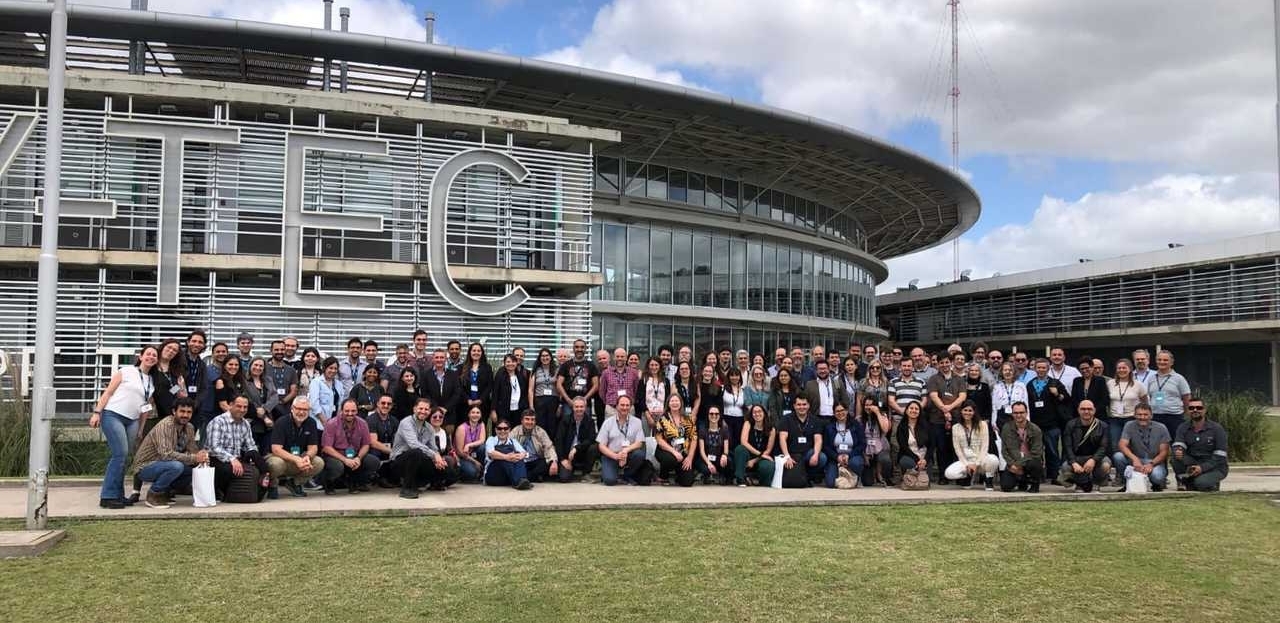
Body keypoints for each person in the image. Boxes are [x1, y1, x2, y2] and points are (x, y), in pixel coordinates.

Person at [90, 345, 159, 509]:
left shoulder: (151, 381)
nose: (151, 357)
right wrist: (97, 412)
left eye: (154, 355)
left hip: (133, 420)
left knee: (125, 457)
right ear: (141, 356)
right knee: (119, 455)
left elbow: (145, 408)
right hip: (113, 414)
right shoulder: (127, 371)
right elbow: (108, 392)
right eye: (148, 354)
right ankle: (107, 496)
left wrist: (141, 429)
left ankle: (118, 495)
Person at [130, 397, 206, 509]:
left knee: (196, 470)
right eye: (182, 411)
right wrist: (194, 458)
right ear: (174, 411)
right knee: (176, 466)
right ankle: (153, 494)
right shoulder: (166, 425)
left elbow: (192, 450)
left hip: (165, 465)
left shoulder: (189, 427)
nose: (185, 415)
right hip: (146, 466)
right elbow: (166, 454)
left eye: (189, 412)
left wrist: (202, 456)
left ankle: (165, 492)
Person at [204, 395, 270, 501]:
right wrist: (232, 459)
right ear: (230, 405)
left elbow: (250, 445)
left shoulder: (245, 424)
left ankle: (263, 485)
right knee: (228, 469)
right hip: (216, 460)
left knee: (257, 457)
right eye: (239, 406)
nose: (242, 410)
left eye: (245, 407)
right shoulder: (218, 422)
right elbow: (214, 448)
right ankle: (220, 490)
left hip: (237, 459)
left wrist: (257, 460)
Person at [391, 397, 454, 498]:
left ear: (429, 411)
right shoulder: (406, 422)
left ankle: (426, 482)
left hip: (419, 461)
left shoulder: (429, 427)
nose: (423, 412)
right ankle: (407, 488)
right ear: (414, 409)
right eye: (420, 408)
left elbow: (433, 448)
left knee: (449, 472)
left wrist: (438, 459)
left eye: (426, 409)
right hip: (400, 462)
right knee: (416, 452)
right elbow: (413, 444)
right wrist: (434, 455)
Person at [265, 397, 325, 498]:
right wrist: (296, 459)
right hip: (279, 457)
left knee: (318, 462)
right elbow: (276, 449)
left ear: (309, 411)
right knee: (276, 464)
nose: (301, 412)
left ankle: (295, 483)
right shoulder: (281, 422)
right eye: (298, 408)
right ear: (292, 408)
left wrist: (307, 456)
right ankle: (272, 485)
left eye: (305, 409)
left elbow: (313, 447)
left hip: (299, 459)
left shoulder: (311, 422)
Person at [320, 399, 380, 495]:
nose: (350, 413)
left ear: (357, 411)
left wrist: (359, 458)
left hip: (354, 454)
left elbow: (366, 444)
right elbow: (326, 447)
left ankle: (355, 481)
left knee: (373, 462)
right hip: (335, 456)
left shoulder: (363, 423)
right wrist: (345, 460)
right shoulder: (331, 423)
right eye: (347, 411)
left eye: (353, 411)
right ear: (341, 410)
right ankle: (329, 482)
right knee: (337, 466)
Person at [1026, 358, 1070, 481]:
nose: (1041, 370)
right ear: (1035, 369)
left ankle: (1054, 476)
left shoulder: (1055, 383)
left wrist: (1057, 394)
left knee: (1052, 451)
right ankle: (1038, 475)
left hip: (1052, 424)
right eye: (1038, 367)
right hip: (1035, 424)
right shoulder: (1030, 384)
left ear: (1048, 368)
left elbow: (1066, 399)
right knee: (1036, 452)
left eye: (1043, 368)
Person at [1172, 398, 1229, 492]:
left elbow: (1220, 456)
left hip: (1214, 466)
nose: (1195, 410)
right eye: (1191, 408)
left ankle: (1208, 482)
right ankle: (1183, 480)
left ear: (1204, 410)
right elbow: (1178, 444)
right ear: (1188, 410)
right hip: (1193, 462)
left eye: (1199, 407)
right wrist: (1178, 450)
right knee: (1175, 457)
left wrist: (1202, 468)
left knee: (1201, 484)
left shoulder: (1217, 429)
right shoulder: (1183, 427)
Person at [926, 356, 967, 484]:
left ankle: (958, 476)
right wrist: (944, 409)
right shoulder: (934, 379)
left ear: (951, 363)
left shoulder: (959, 379)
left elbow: (962, 396)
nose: (945, 365)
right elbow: (933, 395)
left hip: (956, 418)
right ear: (938, 364)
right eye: (941, 362)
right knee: (941, 448)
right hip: (937, 419)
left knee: (957, 448)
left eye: (947, 362)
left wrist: (950, 407)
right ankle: (943, 476)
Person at [1113, 403, 1170, 492]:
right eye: (1139, 414)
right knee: (1118, 456)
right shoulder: (1129, 425)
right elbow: (1122, 445)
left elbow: (1164, 452)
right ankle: (1127, 483)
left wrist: (1151, 464)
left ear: (1151, 415)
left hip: (1154, 461)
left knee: (1157, 477)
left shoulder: (1161, 428)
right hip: (1136, 459)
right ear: (1135, 415)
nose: (1142, 417)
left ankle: (1156, 484)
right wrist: (1134, 459)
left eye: (1145, 414)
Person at [944, 401, 999, 490]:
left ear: (974, 412)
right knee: (949, 473)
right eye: (965, 410)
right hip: (965, 461)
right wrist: (967, 464)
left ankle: (988, 478)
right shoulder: (956, 427)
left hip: (981, 459)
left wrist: (976, 464)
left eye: (970, 410)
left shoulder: (982, 425)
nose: (967, 413)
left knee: (994, 460)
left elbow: (985, 446)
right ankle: (968, 476)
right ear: (961, 411)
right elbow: (957, 449)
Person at [596, 395, 649, 486]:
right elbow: (601, 445)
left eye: (627, 405)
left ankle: (627, 475)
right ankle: (611, 472)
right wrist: (616, 456)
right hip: (612, 455)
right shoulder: (608, 422)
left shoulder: (637, 422)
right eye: (622, 405)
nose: (625, 407)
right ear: (616, 406)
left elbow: (639, 443)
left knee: (639, 454)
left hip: (629, 455)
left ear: (631, 407)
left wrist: (625, 450)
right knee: (609, 481)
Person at [777, 395, 827, 486]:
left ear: (808, 405)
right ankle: (803, 478)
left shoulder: (815, 420)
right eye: (799, 404)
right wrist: (787, 456)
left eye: (804, 404)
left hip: (807, 454)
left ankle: (809, 476)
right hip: (792, 454)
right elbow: (782, 439)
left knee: (822, 457)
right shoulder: (786, 419)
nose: (802, 407)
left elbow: (818, 439)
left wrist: (815, 455)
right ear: (794, 406)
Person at [1060, 400, 1109, 492]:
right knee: (1065, 467)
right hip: (1077, 458)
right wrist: (1074, 463)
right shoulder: (1070, 425)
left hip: (1095, 458)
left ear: (1094, 410)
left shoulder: (1102, 426)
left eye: (1089, 409)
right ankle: (1080, 483)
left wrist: (1093, 460)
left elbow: (1103, 447)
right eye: (1083, 409)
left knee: (1105, 465)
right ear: (1078, 410)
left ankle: (1096, 482)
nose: (1086, 411)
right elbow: (1068, 447)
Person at [654, 394, 698, 487]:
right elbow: (659, 440)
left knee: (688, 482)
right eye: (672, 401)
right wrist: (674, 452)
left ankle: (679, 476)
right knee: (670, 459)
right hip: (665, 450)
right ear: (668, 404)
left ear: (681, 403)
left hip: (683, 453)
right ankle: (663, 476)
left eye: (677, 401)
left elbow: (694, 438)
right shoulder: (662, 418)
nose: (674, 403)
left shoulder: (688, 419)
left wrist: (689, 457)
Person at [1000, 402, 1044, 493]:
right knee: (1006, 487)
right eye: (1016, 413)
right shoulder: (1006, 428)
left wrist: (1019, 465)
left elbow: (1036, 453)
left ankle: (1034, 484)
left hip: (1029, 462)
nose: (1018, 415)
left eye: (1021, 412)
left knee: (1035, 464)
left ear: (1026, 413)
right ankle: (1021, 481)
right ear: (1012, 414)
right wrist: (1011, 464)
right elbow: (1004, 450)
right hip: (1013, 463)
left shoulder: (1036, 429)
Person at [1147, 349, 1192, 439]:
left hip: (1174, 416)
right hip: (1155, 416)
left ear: (1171, 362)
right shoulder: (1151, 378)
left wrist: (1186, 413)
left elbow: (1186, 397)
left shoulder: (1179, 378)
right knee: (1158, 443)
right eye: (1159, 360)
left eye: (1165, 360)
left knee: (1176, 442)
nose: (1162, 362)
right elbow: (1151, 396)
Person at [1106, 358, 1149, 451]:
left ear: (1130, 369)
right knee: (1115, 444)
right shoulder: (1110, 383)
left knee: (1132, 445)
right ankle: (1118, 463)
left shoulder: (1138, 385)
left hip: (1131, 418)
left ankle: (1132, 464)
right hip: (1114, 419)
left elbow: (1145, 402)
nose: (1121, 370)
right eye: (1119, 368)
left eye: (1124, 368)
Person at [148, 338, 188, 436]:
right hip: (151, 415)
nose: (171, 351)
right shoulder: (151, 365)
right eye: (169, 347)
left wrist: (178, 392)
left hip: (170, 415)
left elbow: (179, 390)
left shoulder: (176, 371)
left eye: (174, 350)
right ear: (162, 347)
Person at [554, 397, 599, 482]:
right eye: (577, 407)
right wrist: (563, 459)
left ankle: (586, 474)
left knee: (594, 447)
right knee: (564, 478)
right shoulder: (565, 420)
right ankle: (570, 469)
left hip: (581, 453)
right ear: (572, 407)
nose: (579, 409)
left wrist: (576, 448)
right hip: (567, 455)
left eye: (581, 407)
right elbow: (558, 440)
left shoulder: (590, 421)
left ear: (585, 408)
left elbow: (591, 439)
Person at [483, 419, 534, 490]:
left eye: (505, 428)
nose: (502, 431)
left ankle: (521, 481)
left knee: (519, 457)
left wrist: (519, 456)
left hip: (507, 478)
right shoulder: (491, 440)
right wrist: (506, 457)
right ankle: (520, 481)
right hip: (493, 476)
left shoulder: (513, 441)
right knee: (503, 458)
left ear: (509, 430)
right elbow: (491, 453)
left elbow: (524, 452)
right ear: (496, 430)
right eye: (499, 428)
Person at [510, 409, 559, 483]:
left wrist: (554, 461)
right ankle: (534, 477)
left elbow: (549, 447)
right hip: (521, 461)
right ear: (522, 421)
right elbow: (509, 446)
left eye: (532, 420)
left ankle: (524, 477)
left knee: (547, 463)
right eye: (527, 419)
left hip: (536, 461)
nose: (530, 422)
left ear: (535, 422)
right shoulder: (515, 431)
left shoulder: (540, 431)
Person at [557, 339, 600, 423]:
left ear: (585, 349)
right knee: (567, 426)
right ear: (573, 348)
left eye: (582, 347)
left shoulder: (591, 365)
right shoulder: (565, 365)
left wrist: (584, 399)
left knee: (585, 427)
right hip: (568, 404)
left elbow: (596, 385)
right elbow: (559, 384)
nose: (579, 349)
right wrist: (568, 400)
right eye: (577, 347)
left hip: (585, 404)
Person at [734, 404, 777, 487]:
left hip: (762, 458)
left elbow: (768, 450)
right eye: (754, 412)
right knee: (740, 449)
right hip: (749, 454)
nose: (757, 414)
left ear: (764, 413)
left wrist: (754, 460)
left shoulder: (771, 429)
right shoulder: (748, 423)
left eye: (759, 411)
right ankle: (740, 479)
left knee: (768, 466)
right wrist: (759, 454)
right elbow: (743, 442)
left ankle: (762, 483)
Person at [823, 403, 865, 488]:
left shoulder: (855, 425)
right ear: (834, 413)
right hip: (835, 458)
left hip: (853, 456)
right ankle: (841, 473)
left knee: (856, 463)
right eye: (837, 411)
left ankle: (856, 476)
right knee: (830, 483)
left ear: (847, 411)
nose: (840, 413)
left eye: (842, 410)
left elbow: (862, 444)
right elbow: (826, 447)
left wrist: (849, 456)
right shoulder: (829, 427)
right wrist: (837, 457)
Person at [241, 357, 275, 454]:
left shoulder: (268, 380)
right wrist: (263, 417)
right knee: (252, 450)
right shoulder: (244, 381)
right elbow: (249, 400)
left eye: (261, 366)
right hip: (252, 420)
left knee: (266, 450)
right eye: (255, 365)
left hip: (268, 421)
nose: (258, 368)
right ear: (250, 365)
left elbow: (274, 397)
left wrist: (264, 409)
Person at [365, 395, 399, 487]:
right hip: (376, 449)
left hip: (390, 448)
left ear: (392, 406)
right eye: (383, 403)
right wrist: (392, 451)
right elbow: (373, 442)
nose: (386, 406)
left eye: (389, 404)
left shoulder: (394, 420)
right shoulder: (371, 419)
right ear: (377, 404)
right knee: (375, 452)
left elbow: (397, 439)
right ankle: (375, 477)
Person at [858, 396, 893, 487]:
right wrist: (864, 454)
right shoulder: (859, 419)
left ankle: (882, 476)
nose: (868, 407)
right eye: (866, 405)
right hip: (866, 447)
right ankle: (871, 473)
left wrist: (877, 413)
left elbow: (885, 429)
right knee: (868, 482)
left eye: (871, 405)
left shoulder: (882, 416)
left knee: (885, 459)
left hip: (880, 445)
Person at [422, 349, 462, 427]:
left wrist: (446, 408)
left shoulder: (453, 375)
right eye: (437, 357)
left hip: (449, 414)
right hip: (431, 414)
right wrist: (436, 408)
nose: (439, 360)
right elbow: (424, 393)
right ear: (433, 359)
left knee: (448, 438)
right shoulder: (425, 374)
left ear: (445, 359)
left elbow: (457, 394)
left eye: (441, 357)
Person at [490, 353, 530, 429]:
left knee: (515, 432)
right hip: (503, 411)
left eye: (513, 362)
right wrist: (493, 410)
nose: (510, 364)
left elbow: (524, 394)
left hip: (518, 411)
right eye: (508, 362)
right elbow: (495, 394)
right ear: (504, 363)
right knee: (502, 431)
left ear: (516, 363)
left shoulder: (520, 376)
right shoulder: (500, 375)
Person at [599, 347, 639, 421]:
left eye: (622, 356)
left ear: (626, 358)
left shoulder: (634, 373)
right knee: (611, 431)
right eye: (617, 356)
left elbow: (636, 390)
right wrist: (610, 402)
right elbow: (602, 392)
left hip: (628, 409)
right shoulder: (606, 373)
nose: (620, 358)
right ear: (614, 358)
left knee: (629, 431)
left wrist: (631, 402)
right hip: (611, 409)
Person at [1070, 356, 1110, 430]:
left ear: (1092, 367)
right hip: (1081, 418)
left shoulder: (1100, 380)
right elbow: (1074, 399)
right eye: (1082, 369)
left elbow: (1105, 400)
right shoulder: (1077, 381)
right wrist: (1082, 412)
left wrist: (1091, 412)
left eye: (1087, 368)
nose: (1084, 370)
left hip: (1098, 416)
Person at [894, 401, 930, 483]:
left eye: (916, 409)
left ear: (920, 411)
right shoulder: (901, 427)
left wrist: (925, 460)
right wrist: (917, 459)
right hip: (909, 455)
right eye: (911, 408)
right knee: (908, 463)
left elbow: (931, 445)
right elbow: (903, 447)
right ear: (906, 411)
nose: (914, 411)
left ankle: (917, 473)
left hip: (924, 456)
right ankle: (911, 476)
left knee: (926, 478)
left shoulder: (926, 426)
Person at [804, 360, 848, 425]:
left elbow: (844, 399)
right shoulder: (810, 384)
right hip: (817, 418)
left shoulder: (837, 382)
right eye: (820, 369)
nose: (822, 371)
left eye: (824, 368)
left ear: (828, 369)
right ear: (816, 370)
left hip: (835, 418)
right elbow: (806, 402)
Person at [697, 406, 733, 485]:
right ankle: (706, 476)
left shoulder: (724, 429)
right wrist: (708, 463)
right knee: (706, 469)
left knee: (728, 461)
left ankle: (725, 476)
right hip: (706, 458)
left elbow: (726, 449)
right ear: (708, 415)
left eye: (716, 414)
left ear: (719, 416)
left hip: (718, 457)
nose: (714, 416)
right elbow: (701, 450)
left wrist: (724, 455)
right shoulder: (702, 430)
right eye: (711, 414)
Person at [460, 342, 494, 425]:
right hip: (465, 405)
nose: (476, 352)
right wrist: (467, 399)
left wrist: (481, 399)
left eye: (479, 351)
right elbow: (459, 387)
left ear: (482, 353)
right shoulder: (461, 367)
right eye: (474, 350)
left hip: (482, 405)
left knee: (481, 428)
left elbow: (489, 386)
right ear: (470, 352)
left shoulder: (487, 367)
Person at [265, 340, 299, 422]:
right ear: (271, 351)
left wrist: (281, 402)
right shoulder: (264, 368)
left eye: (282, 350)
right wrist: (272, 403)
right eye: (276, 350)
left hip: (285, 410)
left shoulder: (291, 370)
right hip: (268, 410)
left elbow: (294, 391)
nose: (279, 352)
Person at [529, 348, 560, 435]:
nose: (545, 358)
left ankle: (551, 446)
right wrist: (531, 406)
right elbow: (530, 389)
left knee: (552, 425)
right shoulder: (535, 370)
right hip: (539, 401)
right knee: (540, 425)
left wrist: (560, 405)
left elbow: (560, 388)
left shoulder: (557, 370)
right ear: (539, 358)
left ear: (550, 357)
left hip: (553, 401)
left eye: (547, 356)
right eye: (542, 356)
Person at [990, 362, 1028, 432]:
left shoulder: (1021, 386)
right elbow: (994, 406)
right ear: (1002, 372)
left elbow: (1026, 404)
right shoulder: (997, 387)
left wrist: (1027, 420)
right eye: (1005, 370)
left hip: (1017, 416)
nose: (1008, 372)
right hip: (1001, 417)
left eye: (1010, 370)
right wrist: (993, 422)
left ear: (1014, 372)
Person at [454, 405, 488, 482]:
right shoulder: (461, 428)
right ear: (468, 414)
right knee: (472, 473)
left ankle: (483, 471)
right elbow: (460, 452)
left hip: (473, 452)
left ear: (481, 414)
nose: (475, 415)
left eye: (478, 412)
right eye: (472, 412)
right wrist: (475, 461)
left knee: (483, 447)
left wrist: (468, 445)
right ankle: (461, 474)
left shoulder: (481, 424)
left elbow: (482, 440)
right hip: (463, 457)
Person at [307, 356, 341, 429]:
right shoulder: (316, 382)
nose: (333, 370)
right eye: (330, 368)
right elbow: (314, 404)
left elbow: (340, 404)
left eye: (335, 368)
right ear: (324, 368)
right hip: (319, 423)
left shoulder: (339, 384)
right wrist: (325, 422)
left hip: (334, 422)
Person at [887, 360, 925, 425]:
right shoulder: (893, 382)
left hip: (916, 420)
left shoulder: (921, 382)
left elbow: (924, 400)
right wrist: (903, 412)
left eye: (909, 366)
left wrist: (914, 413)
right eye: (904, 366)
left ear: (913, 368)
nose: (906, 368)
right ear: (900, 367)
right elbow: (891, 401)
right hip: (898, 420)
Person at [639, 356, 671, 433]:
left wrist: (664, 414)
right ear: (648, 366)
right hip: (647, 415)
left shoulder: (665, 381)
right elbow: (640, 399)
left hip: (662, 415)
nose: (654, 367)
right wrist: (648, 415)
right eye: (652, 365)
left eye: (656, 365)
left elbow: (668, 398)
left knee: (661, 437)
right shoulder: (643, 380)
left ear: (660, 366)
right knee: (646, 439)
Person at [720, 367, 747, 449]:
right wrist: (722, 419)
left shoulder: (743, 391)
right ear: (728, 377)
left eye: (737, 375)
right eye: (732, 375)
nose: (734, 378)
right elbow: (719, 405)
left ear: (740, 377)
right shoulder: (723, 389)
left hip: (740, 419)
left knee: (738, 442)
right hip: (726, 419)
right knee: (728, 442)